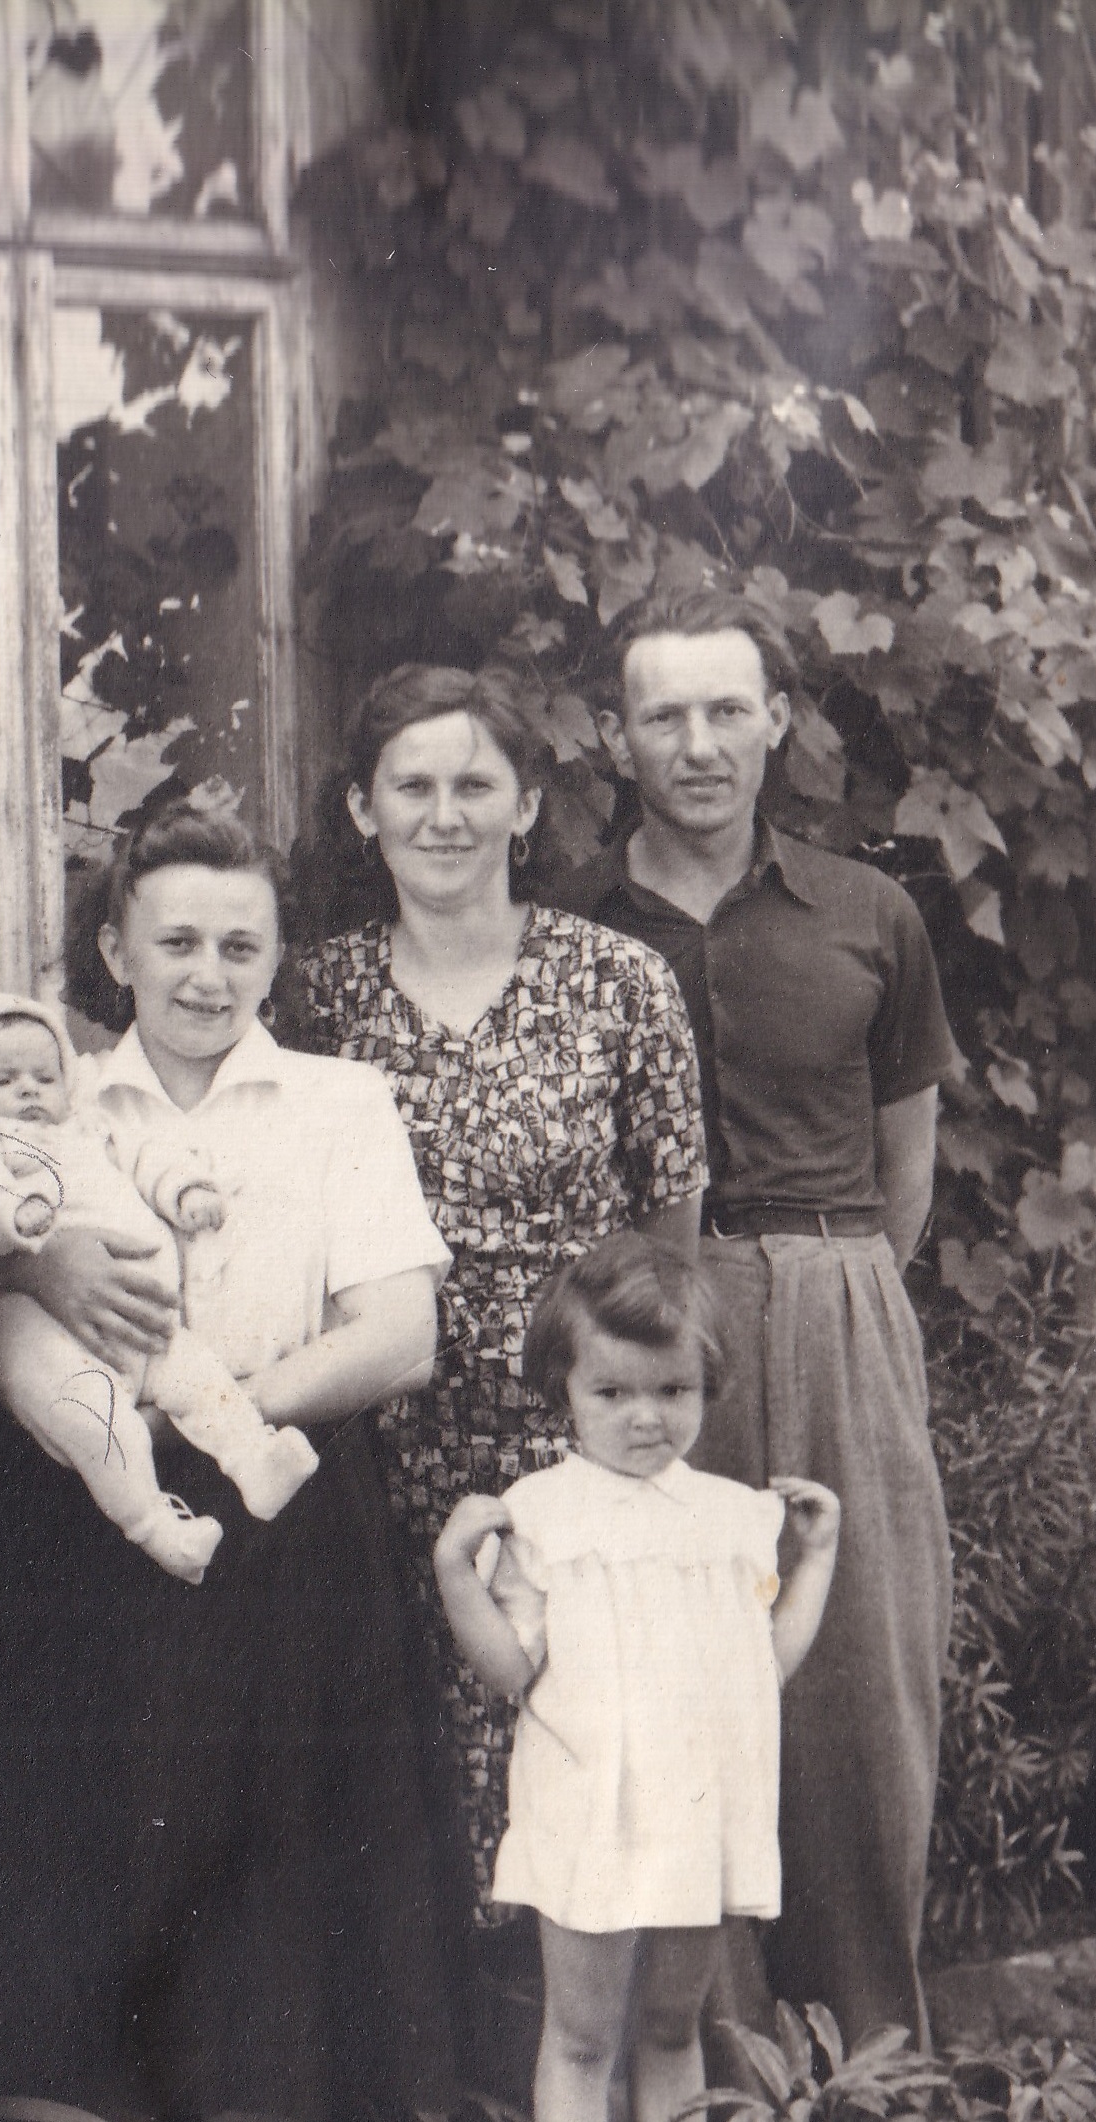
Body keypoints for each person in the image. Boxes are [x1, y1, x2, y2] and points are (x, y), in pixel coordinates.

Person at [0, 800, 458, 2122]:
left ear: (278, 955)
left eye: (241, 942)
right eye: (174, 939)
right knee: (96, 1884)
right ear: (113, 949)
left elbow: (399, 1333)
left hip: (278, 1527)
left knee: (267, 1910)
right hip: (78, 1538)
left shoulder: (336, 1102)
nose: (207, 971)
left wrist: (226, 1406)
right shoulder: (39, 1095)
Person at [548, 585, 957, 2052]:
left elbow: (907, 1169)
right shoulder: (570, 929)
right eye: (663, 714)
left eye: (729, 709)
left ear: (778, 720)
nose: (699, 743)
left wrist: (826, 1297)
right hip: (645, 1325)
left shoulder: (869, 913)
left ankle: (873, 2077)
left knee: (858, 1689)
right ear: (617, 736)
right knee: (670, 1692)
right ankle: (709, 2092)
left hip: (833, 1294)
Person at [294, 665, 708, 1935]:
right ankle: (437, 2061)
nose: (444, 814)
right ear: (362, 808)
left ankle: (572, 2058)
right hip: (379, 1444)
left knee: (582, 1765)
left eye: (475, 784)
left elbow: (670, 1241)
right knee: (396, 1787)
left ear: (526, 804)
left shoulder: (620, 981)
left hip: (568, 1447)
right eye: (411, 785)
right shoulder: (315, 996)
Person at [434, 1235, 839, 2122]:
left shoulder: (730, 1519)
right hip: (590, 1809)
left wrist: (816, 1559)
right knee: (580, 2033)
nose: (644, 1416)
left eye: (672, 1389)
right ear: (563, 1388)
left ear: (708, 1385)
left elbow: (762, 1668)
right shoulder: (541, 1515)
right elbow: (509, 1672)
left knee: (670, 2022)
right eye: (611, 1391)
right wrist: (456, 1574)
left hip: (694, 1814)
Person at [0, 974, 317, 1580]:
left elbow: (146, 1156)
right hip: (48, 1334)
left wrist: (184, 1189)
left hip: (142, 1316)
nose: (27, 1089)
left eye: (44, 1077)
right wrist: (14, 1215)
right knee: (96, 1421)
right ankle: (158, 1526)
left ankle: (254, 1461)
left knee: (199, 1378)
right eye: (0, 1081)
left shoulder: (89, 1126)